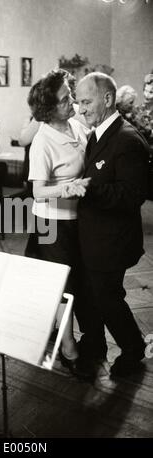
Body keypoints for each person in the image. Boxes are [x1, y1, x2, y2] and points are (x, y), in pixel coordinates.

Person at [75, 72, 149, 379]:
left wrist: (86, 188)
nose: (81, 109)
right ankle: (96, 345)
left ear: (107, 99)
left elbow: (133, 195)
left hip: (113, 240)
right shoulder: (100, 133)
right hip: (96, 237)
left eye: (86, 101)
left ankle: (132, 350)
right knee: (96, 295)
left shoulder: (127, 139)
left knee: (108, 298)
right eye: (78, 102)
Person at [24, 69, 91, 374]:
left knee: (77, 283)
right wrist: (68, 187)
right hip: (52, 224)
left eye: (70, 93)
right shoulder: (42, 140)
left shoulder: (76, 125)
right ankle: (68, 348)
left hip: (78, 220)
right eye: (65, 98)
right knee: (63, 287)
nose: (72, 100)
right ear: (49, 108)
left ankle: (56, 332)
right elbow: (37, 192)